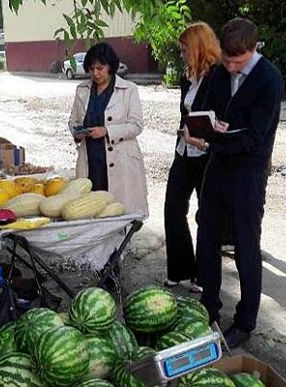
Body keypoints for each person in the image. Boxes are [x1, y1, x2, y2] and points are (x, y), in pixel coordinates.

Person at [189, 18, 284, 348]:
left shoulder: (269, 79)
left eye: (237, 61)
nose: (229, 66)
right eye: (226, 60)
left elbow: (257, 138)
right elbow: (203, 109)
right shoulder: (218, 72)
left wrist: (219, 136)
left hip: (249, 172)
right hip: (217, 166)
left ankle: (245, 321)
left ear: (254, 49)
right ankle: (208, 307)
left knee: (246, 244)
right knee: (207, 235)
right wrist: (203, 128)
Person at [163, 22, 221, 293]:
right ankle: (179, 269)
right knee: (173, 207)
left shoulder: (219, 76)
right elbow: (186, 112)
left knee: (206, 215)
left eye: (185, 49)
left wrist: (206, 137)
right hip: (184, 150)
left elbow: (221, 118)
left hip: (207, 154)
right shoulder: (187, 76)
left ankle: (202, 275)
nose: (182, 54)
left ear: (199, 47)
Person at [68, 42, 148, 216]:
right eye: (91, 69)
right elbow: (73, 120)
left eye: (100, 68)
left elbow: (136, 125)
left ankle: (122, 242)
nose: (95, 73)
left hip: (120, 160)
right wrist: (77, 132)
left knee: (119, 210)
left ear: (110, 66)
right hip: (91, 157)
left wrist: (107, 131)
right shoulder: (82, 90)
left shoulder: (128, 90)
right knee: (92, 210)